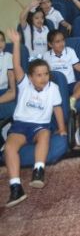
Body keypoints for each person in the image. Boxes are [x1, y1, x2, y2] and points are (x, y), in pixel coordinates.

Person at [3, 29, 66, 207]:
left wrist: (62, 128)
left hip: (40, 126)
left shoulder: (53, 88)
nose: (43, 78)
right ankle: (16, 187)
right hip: (21, 125)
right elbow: (16, 66)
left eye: (46, 74)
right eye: (39, 75)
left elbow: (57, 109)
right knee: (9, 147)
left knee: (45, 135)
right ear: (30, 77)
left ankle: (38, 170)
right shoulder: (24, 85)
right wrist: (16, 43)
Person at [0, 31, 17, 121]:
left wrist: (12, 90)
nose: (0, 43)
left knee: (14, 105)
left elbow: (11, 75)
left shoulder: (8, 56)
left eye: (2, 40)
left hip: (3, 91)